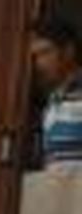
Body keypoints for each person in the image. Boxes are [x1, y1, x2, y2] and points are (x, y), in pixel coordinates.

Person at [32, 17, 82, 170]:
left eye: (46, 52)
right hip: (57, 191)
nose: (40, 63)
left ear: (68, 51)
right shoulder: (52, 100)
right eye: (36, 56)